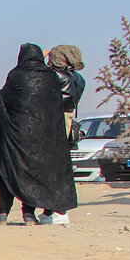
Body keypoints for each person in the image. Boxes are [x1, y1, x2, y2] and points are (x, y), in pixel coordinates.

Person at [0, 43, 77, 226]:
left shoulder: (15, 75)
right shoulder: (50, 77)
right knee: (32, 176)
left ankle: (2, 214)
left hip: (15, 137)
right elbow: (56, 107)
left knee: (9, 173)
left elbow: (3, 99)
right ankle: (29, 215)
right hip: (41, 141)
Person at [40, 44, 86, 225]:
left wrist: (40, 56)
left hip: (54, 125)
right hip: (68, 123)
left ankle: (58, 210)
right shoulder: (79, 78)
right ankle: (52, 210)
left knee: (52, 170)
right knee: (59, 168)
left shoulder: (56, 76)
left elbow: (33, 71)